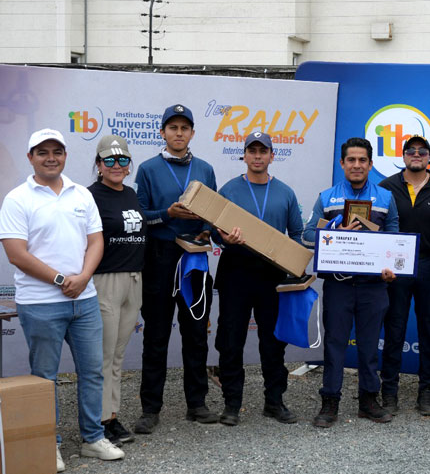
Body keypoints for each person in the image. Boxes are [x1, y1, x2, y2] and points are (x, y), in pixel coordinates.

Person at [0, 129, 124, 472]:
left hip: (84, 299)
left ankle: (92, 439)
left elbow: (96, 241)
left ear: (66, 155)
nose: (51, 157)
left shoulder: (81, 194)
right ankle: (48, 443)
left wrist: (83, 278)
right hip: (40, 303)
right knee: (45, 376)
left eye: (57, 151)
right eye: (43, 152)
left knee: (92, 372)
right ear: (30, 157)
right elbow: (16, 253)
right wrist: (60, 280)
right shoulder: (17, 199)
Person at [302, 137, 399, 428]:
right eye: (351, 160)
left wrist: (391, 267)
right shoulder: (327, 197)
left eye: (362, 160)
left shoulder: (384, 198)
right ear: (342, 163)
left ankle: (369, 400)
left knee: (369, 346)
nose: (357, 165)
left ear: (370, 164)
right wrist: (335, 229)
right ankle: (330, 401)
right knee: (334, 345)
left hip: (373, 286)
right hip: (339, 285)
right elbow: (306, 235)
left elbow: (395, 239)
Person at [133, 104, 218, 434]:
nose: (179, 133)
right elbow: (140, 217)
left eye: (185, 128)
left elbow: (213, 213)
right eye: (173, 128)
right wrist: (168, 214)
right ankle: (150, 408)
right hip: (159, 257)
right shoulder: (147, 169)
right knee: (155, 335)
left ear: (192, 133)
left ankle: (197, 403)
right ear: (162, 133)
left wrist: (208, 229)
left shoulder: (206, 168)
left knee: (196, 334)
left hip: (195, 257)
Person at [213, 132, 304, 426]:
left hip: (271, 276)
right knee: (230, 340)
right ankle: (231, 404)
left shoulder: (286, 193)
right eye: (251, 151)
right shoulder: (228, 190)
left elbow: (297, 235)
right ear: (244, 155)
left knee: (273, 341)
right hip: (235, 272)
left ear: (271, 156)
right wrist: (223, 237)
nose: (257, 156)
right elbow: (214, 230)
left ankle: (274, 402)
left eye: (262, 151)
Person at [378, 135, 430, 416]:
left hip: (429, 265)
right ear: (404, 155)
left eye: (423, 151)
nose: (417, 154)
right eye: (412, 151)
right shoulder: (386, 187)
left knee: (429, 331)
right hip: (395, 268)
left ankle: (426, 393)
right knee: (394, 329)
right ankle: (390, 392)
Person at [88, 135, 146, 446]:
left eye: (122, 160)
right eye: (108, 160)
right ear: (98, 165)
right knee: (104, 354)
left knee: (118, 354)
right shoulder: (89, 196)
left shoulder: (132, 194)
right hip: (105, 280)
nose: (116, 165)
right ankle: (99, 421)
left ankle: (111, 415)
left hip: (133, 280)